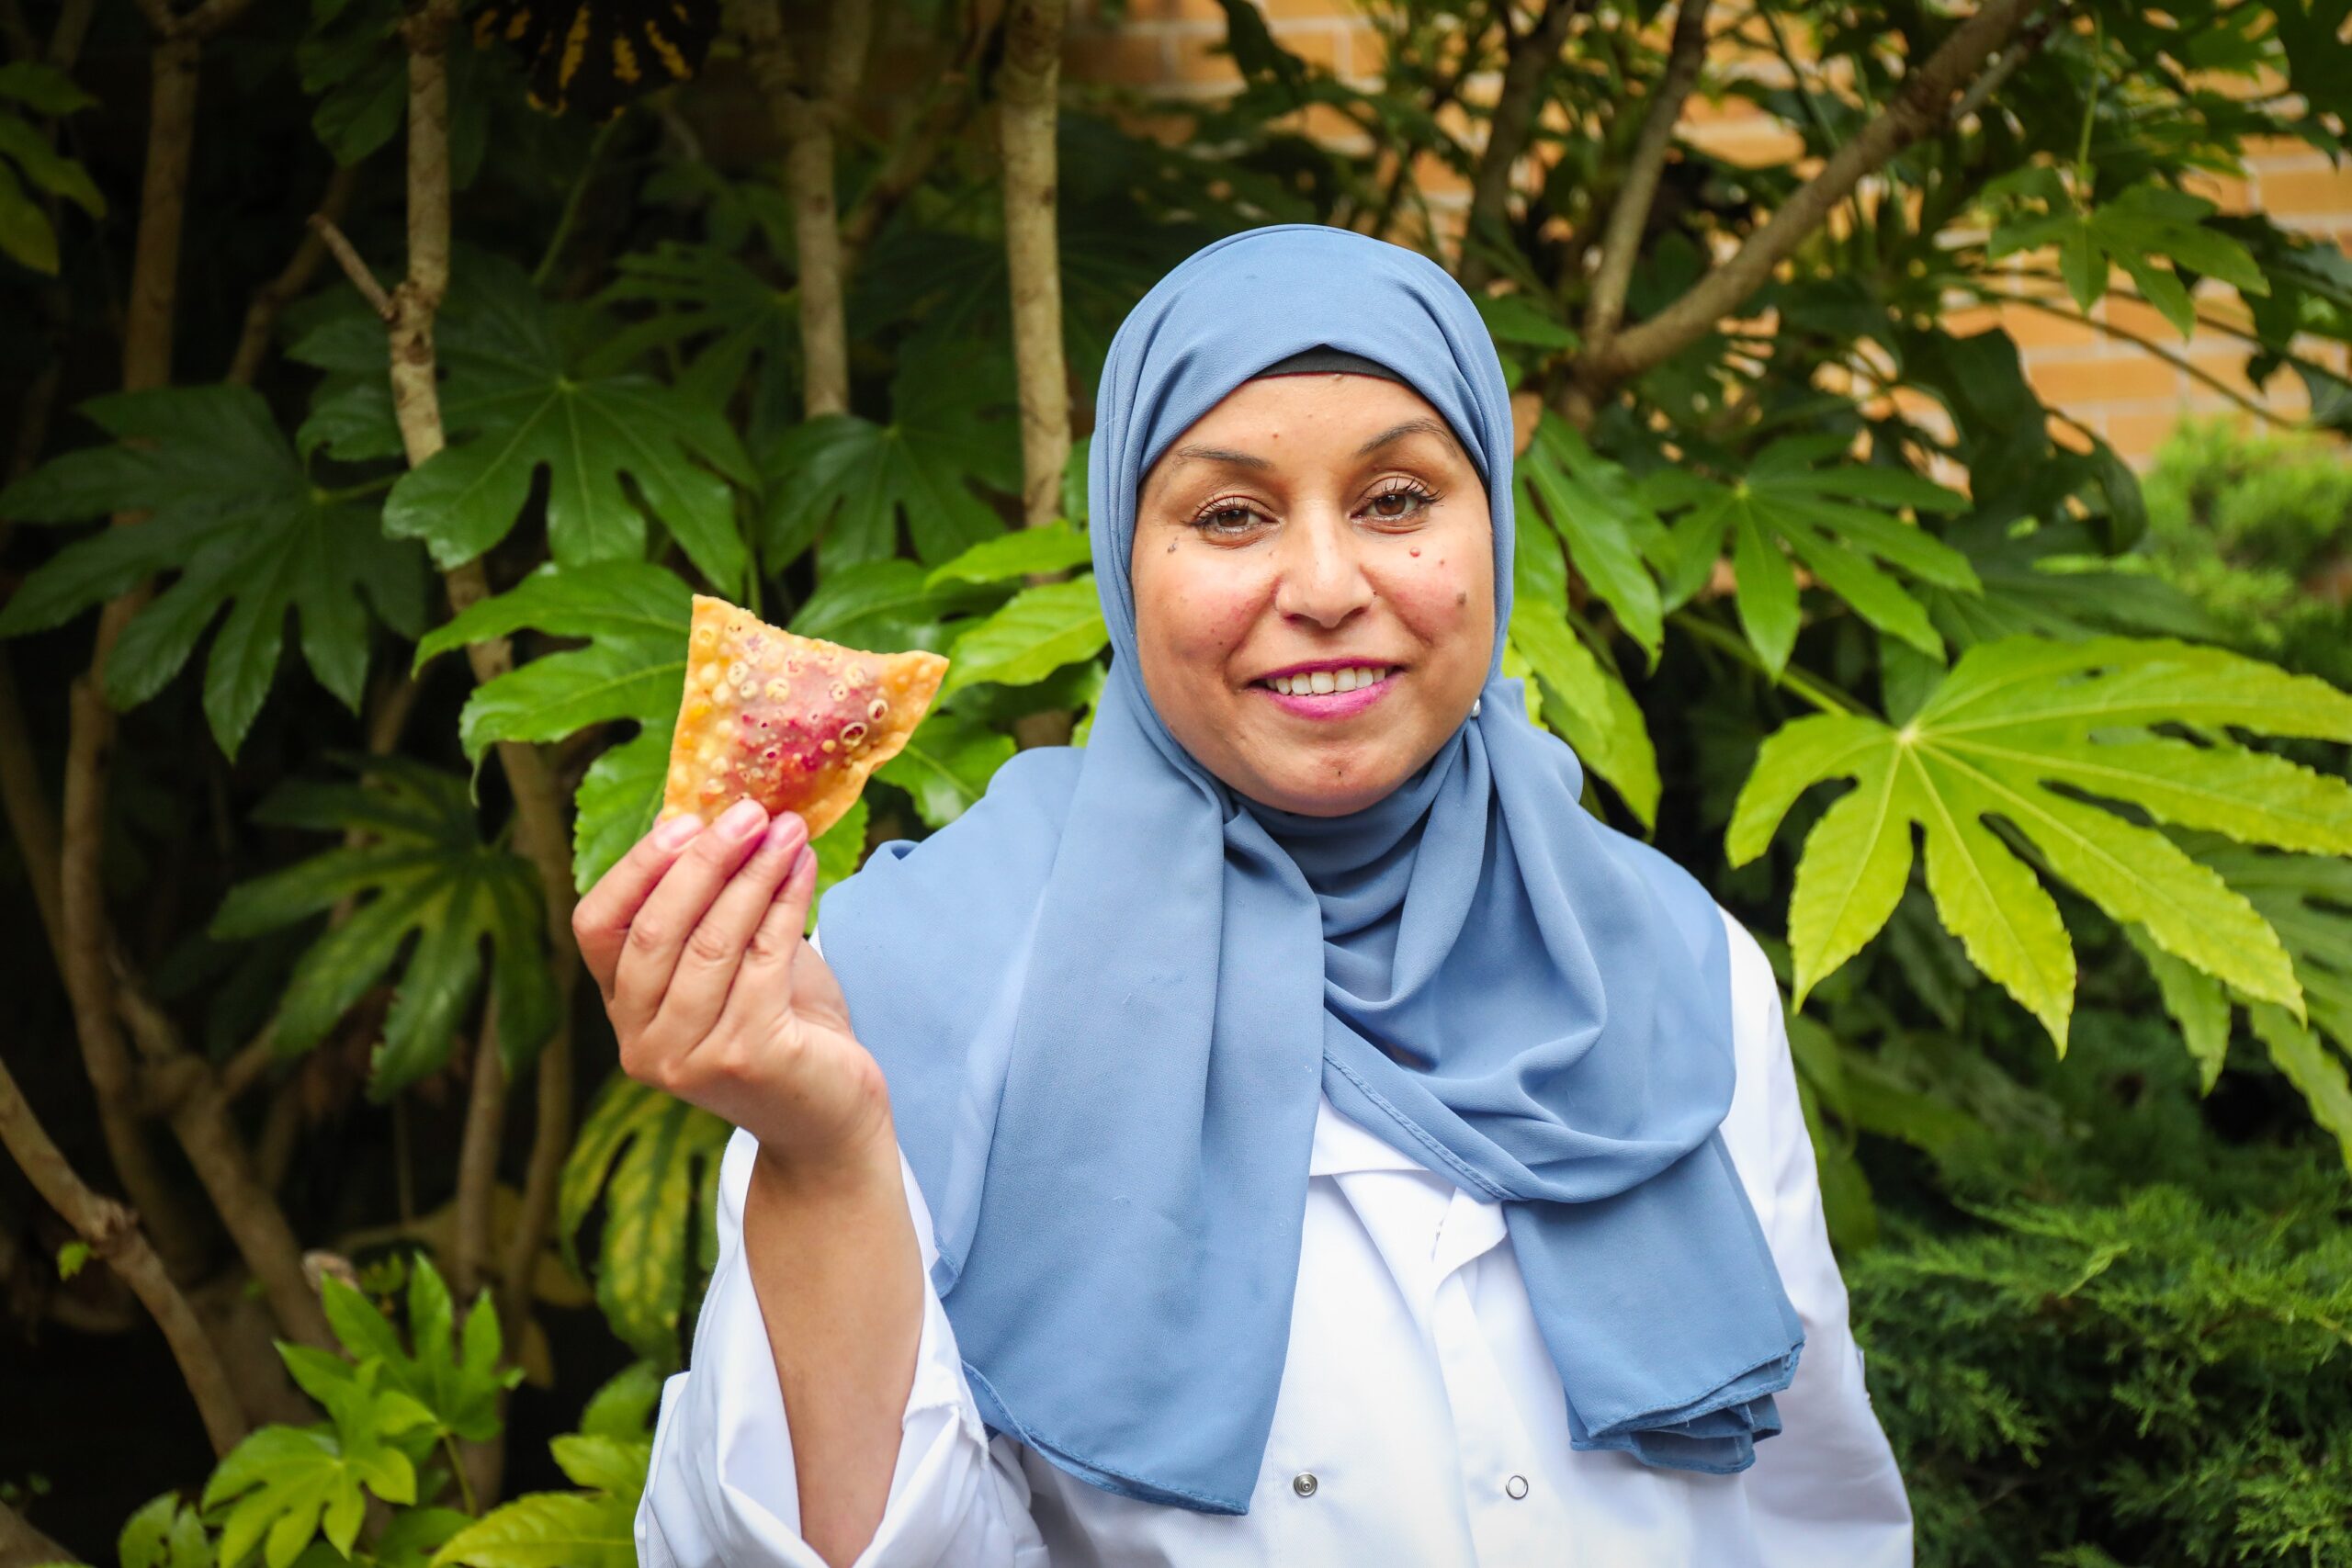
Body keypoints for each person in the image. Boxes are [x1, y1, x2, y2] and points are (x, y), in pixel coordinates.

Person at [574, 225, 1912, 1567]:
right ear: (1121, 557)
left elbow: (1815, 1518)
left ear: (1491, 525)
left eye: (1397, 500)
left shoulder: (1673, 964)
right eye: (1231, 515)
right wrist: (830, 1160)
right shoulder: (901, 992)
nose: (1327, 589)